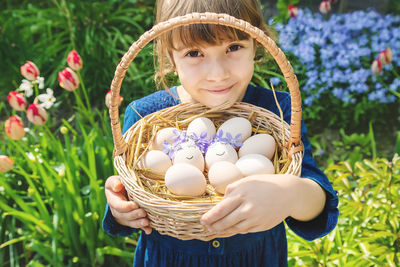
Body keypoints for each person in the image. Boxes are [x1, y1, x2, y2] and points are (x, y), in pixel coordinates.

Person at [103, 0, 339, 266]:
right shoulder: (145, 117)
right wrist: (120, 208)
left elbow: (319, 207)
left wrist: (292, 194)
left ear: (256, 45)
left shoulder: (277, 110)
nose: (218, 74)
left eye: (233, 47)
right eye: (194, 53)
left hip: (256, 258)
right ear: (170, 56)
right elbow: (136, 196)